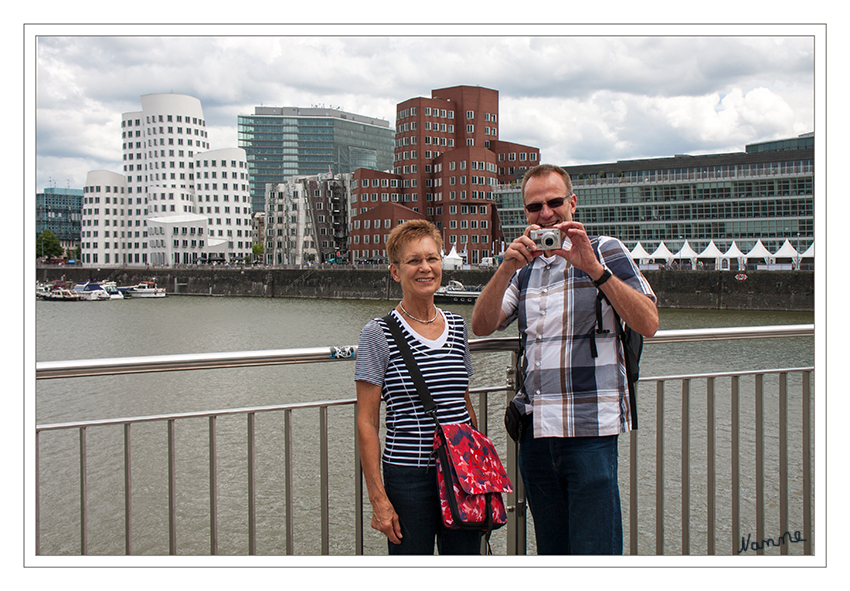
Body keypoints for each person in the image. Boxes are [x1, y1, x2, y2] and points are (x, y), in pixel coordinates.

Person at [471, 164, 659, 555]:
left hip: (590, 429)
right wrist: (507, 265)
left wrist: (592, 268)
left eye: (554, 202)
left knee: (595, 552)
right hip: (537, 432)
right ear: (525, 214)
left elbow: (649, 321)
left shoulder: (605, 250)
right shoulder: (524, 270)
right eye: (534, 206)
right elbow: (482, 325)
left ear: (573, 203)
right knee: (552, 553)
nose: (545, 214)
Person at [355, 220, 482, 555]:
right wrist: (379, 499)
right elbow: (366, 422)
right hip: (409, 477)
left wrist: (480, 465)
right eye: (414, 261)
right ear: (396, 272)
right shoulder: (377, 333)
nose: (425, 268)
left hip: (461, 471)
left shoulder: (456, 325)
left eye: (432, 258)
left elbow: (462, 401)